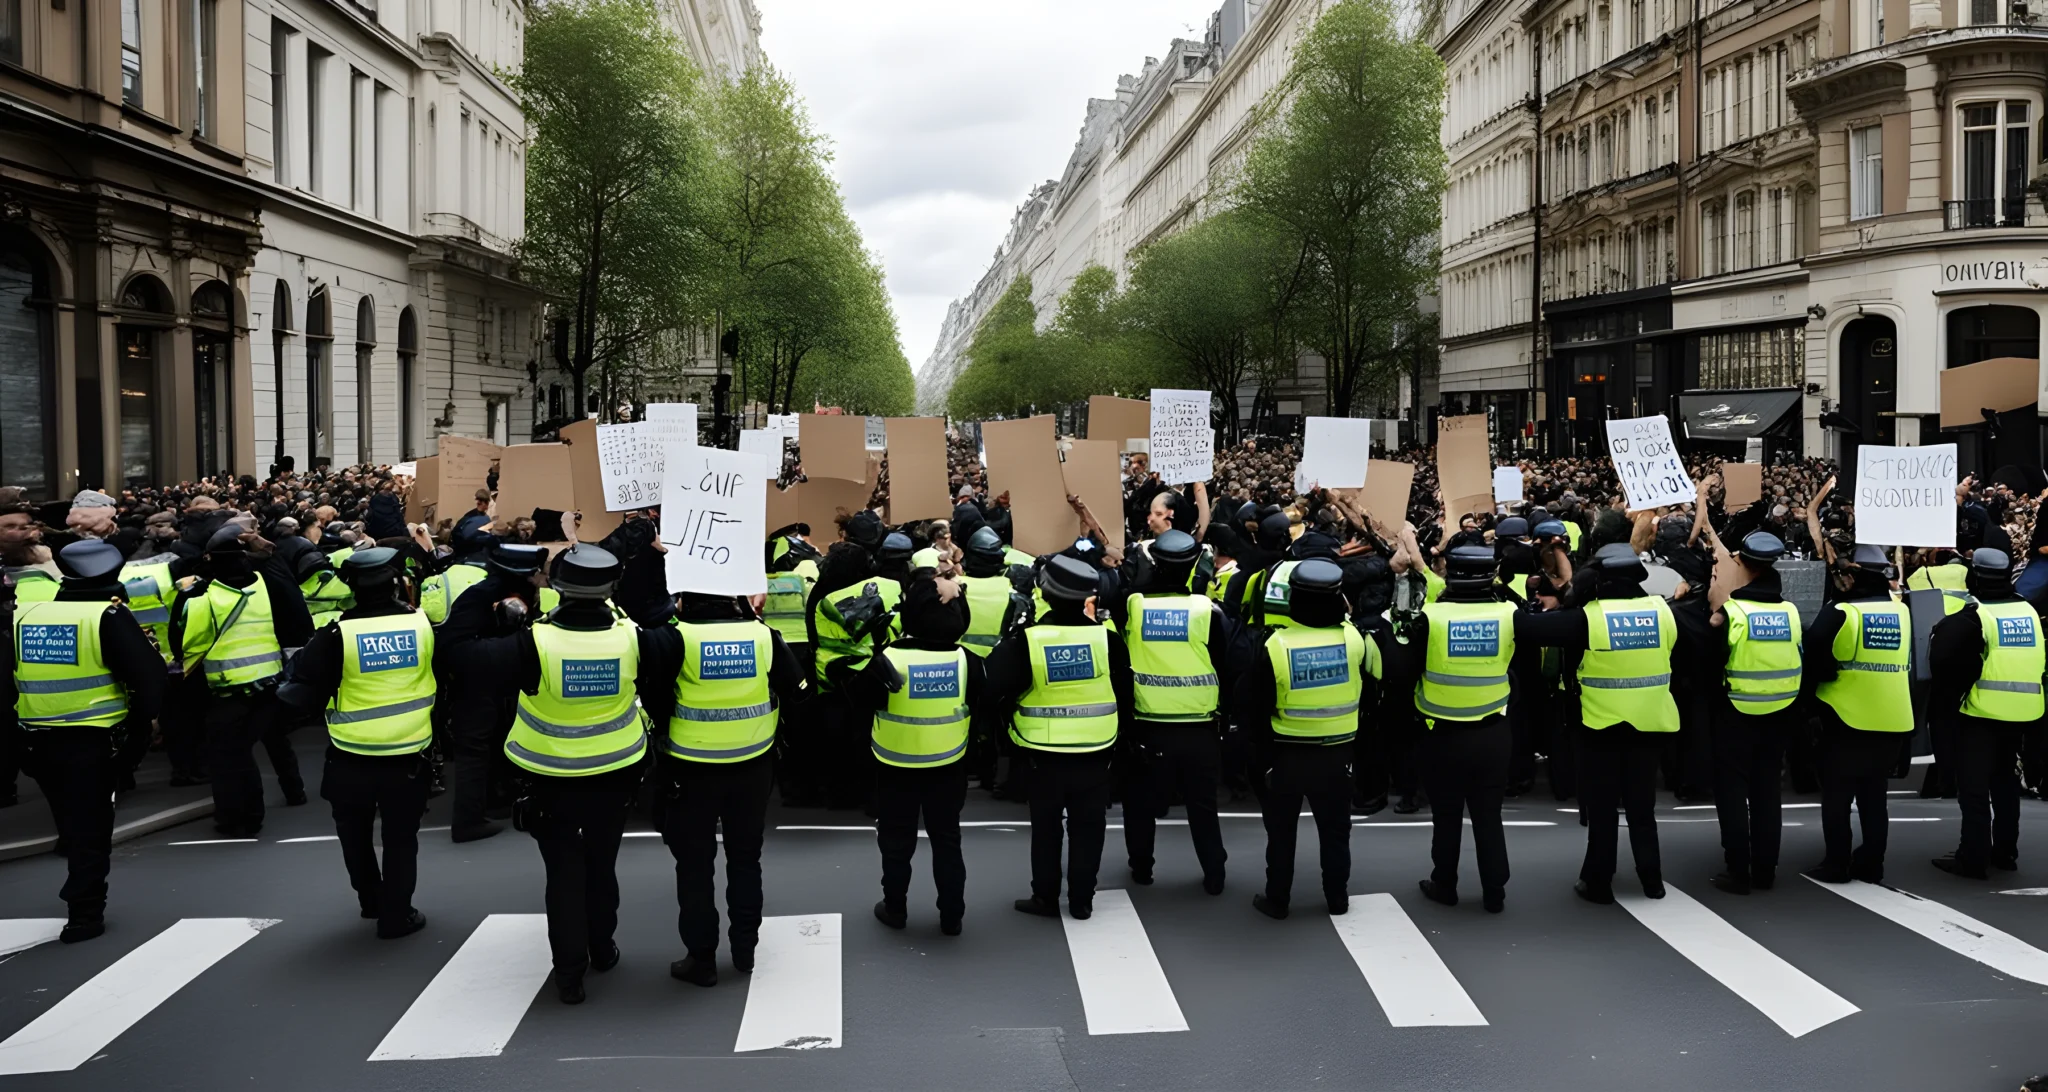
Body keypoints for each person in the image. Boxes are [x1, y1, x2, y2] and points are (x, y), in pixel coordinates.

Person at [478, 543, 654, 1004]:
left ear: (556, 587)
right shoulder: (632, 638)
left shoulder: (531, 641)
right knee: (601, 865)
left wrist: (499, 586)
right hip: (613, 772)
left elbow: (460, 655)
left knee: (562, 873)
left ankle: (568, 973)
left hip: (548, 776)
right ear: (610, 590)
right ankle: (602, 947)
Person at [6, 540, 166, 942]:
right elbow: (150, 681)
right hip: (93, 740)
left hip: (34, 738)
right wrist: (141, 730)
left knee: (70, 818)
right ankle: (85, 911)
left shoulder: (25, 614)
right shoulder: (108, 616)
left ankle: (79, 883)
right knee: (91, 827)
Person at [652, 577, 805, 988]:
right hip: (752, 764)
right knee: (745, 859)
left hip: (691, 766)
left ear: (686, 598)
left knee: (695, 866)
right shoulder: (763, 635)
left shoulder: (673, 638)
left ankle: (701, 959)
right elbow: (797, 690)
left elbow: (652, 695)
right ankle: (745, 952)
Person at [1519, 543, 1691, 903]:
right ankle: (1652, 879)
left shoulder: (1589, 618)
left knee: (1602, 809)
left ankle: (1598, 882)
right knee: (1642, 807)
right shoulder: (1663, 611)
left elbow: (1530, 630)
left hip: (1600, 726)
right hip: (1650, 723)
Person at [276, 547, 433, 939]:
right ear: (396, 582)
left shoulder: (336, 635)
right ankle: (397, 916)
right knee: (400, 839)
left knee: (354, 833)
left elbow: (301, 689)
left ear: (352, 587)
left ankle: (370, 900)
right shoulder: (422, 627)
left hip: (352, 754)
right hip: (408, 754)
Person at [984, 555, 1132, 920]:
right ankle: (1082, 900)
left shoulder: (1027, 641)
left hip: (1041, 752)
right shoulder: (1107, 640)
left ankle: (1045, 898)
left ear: (1045, 593)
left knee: (1046, 828)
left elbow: (993, 689)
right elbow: (1126, 696)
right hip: (1097, 750)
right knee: (1089, 827)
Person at [1236, 558, 1377, 919]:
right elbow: (1374, 690)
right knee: (1335, 831)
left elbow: (1253, 708)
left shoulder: (1274, 646)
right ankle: (1338, 898)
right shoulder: (1355, 638)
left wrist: (1259, 759)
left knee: (1281, 833)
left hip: (1286, 757)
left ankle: (1278, 899)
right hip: (1338, 755)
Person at [845, 575, 982, 934]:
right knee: (947, 840)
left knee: (895, 841)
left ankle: (895, 907)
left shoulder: (887, 660)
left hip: (894, 763)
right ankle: (952, 915)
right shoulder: (967, 660)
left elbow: (858, 706)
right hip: (949, 761)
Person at [1390, 545, 1513, 914]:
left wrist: (1402, 578)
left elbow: (1400, 655)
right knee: (1489, 815)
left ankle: (1445, 883)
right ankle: (1495, 891)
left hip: (1440, 735)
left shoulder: (1431, 616)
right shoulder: (1508, 612)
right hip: (1492, 732)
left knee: (1446, 816)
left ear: (1450, 573)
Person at [170, 524, 314, 837]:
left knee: (230, 757)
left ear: (209, 559)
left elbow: (181, 643)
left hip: (224, 690)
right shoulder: (265, 584)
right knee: (276, 740)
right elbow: (297, 615)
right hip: (269, 683)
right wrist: (268, 555)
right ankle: (294, 790)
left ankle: (240, 818)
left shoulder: (198, 596)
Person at [1120, 529, 1238, 894]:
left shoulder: (1134, 605)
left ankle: (1142, 868)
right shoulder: (1208, 611)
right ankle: (1214, 873)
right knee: (1203, 807)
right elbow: (1227, 666)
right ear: (1193, 567)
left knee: (1140, 804)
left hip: (1148, 725)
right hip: (1200, 726)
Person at [1927, 547, 2037, 879]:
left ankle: (1972, 857)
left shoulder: (1976, 616)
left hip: (1981, 713)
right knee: (2004, 783)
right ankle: (2005, 852)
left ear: (1974, 576)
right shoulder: (2028, 611)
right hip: (2023, 712)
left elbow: (1946, 660)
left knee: (1974, 789)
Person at [1806, 544, 1912, 885]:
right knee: (1874, 794)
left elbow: (1813, 655)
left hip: (1846, 714)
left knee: (1837, 793)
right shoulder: (1902, 610)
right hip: (1893, 715)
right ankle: (1871, 863)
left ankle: (1836, 863)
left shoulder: (1841, 612)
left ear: (1855, 576)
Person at [1704, 532, 1802, 895]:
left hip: (1736, 712)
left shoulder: (1731, 613)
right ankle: (1765, 869)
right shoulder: (1790, 612)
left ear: (1743, 567)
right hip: (1779, 711)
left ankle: (1738, 869)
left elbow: (1710, 665)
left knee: (1732, 792)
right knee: (1766, 793)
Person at [435, 541, 549, 842]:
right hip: (478, 680)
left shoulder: (490, 593)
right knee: (474, 749)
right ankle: (468, 821)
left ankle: (493, 800)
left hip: (485, 679)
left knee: (495, 739)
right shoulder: (486, 595)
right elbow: (456, 647)